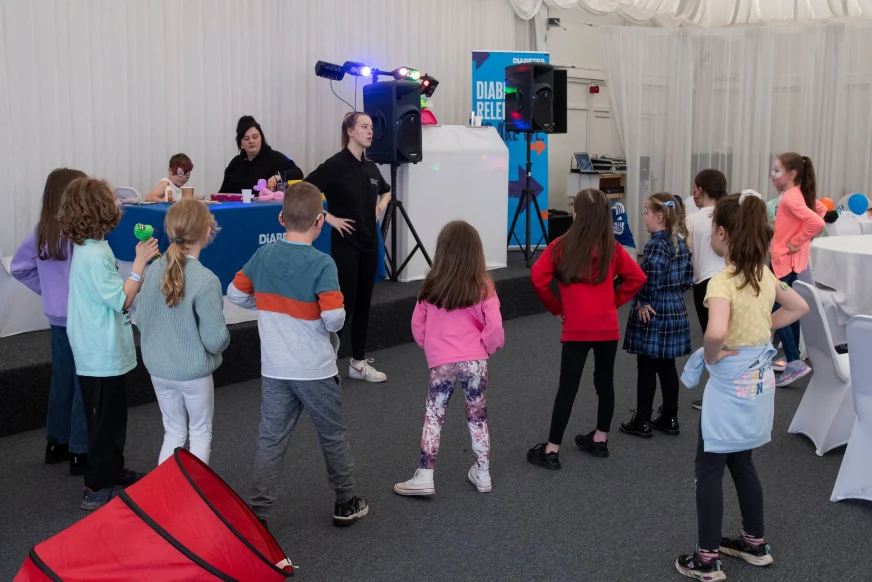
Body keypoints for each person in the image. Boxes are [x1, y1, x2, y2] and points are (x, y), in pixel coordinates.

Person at [675, 192, 809, 581]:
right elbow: (799, 307)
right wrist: (766, 327)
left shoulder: (722, 282)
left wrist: (711, 353)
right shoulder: (763, 276)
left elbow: (715, 331)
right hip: (758, 386)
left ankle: (706, 559)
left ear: (720, 233)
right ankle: (754, 543)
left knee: (710, 467)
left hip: (730, 388)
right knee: (742, 461)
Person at [228, 181, 368, 530]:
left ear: (280, 218)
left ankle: (257, 512)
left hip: (275, 367)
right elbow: (335, 318)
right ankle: (345, 502)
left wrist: (262, 304)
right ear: (321, 221)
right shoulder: (323, 264)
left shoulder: (263, 255)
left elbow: (234, 293)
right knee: (332, 435)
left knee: (270, 438)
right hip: (315, 369)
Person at [57, 177, 159, 510]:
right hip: (99, 354)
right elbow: (121, 301)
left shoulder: (92, 248)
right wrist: (140, 263)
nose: (118, 203)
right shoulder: (95, 254)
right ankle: (97, 488)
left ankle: (112, 470)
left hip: (102, 350)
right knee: (103, 423)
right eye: (112, 199)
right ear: (98, 209)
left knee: (112, 418)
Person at [526, 189, 645, 469]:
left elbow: (537, 278)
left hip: (576, 329)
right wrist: (612, 302)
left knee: (567, 387)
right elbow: (636, 278)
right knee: (605, 384)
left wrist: (557, 308)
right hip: (606, 329)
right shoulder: (611, 248)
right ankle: (600, 439)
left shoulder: (560, 246)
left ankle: (552, 448)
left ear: (576, 214)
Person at [394, 221, 505, 496]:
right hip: (475, 361)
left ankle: (425, 475)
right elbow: (495, 328)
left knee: (434, 417)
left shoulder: (431, 286)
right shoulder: (484, 286)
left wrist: (431, 348)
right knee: (477, 418)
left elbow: (417, 326)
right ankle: (482, 473)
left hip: (441, 363)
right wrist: (487, 349)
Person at [136, 200, 229, 466]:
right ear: (207, 232)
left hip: (158, 368)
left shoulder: (153, 269)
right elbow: (216, 339)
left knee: (173, 432)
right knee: (200, 433)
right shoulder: (206, 280)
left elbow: (141, 320)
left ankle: (165, 498)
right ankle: (192, 499)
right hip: (193, 373)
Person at [11, 168, 89, 475]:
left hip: (57, 320)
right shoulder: (80, 233)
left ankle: (56, 444)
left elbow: (19, 268)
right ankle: (80, 451)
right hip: (84, 320)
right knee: (85, 382)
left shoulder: (41, 231)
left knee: (62, 381)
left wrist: (49, 292)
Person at [305, 112, 392, 383]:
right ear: (350, 131)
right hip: (345, 246)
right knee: (344, 305)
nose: (370, 132)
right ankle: (326, 361)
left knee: (364, 304)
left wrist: (380, 206)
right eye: (364, 127)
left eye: (371, 128)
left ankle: (357, 362)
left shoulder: (371, 167)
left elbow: (387, 191)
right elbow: (305, 190)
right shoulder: (336, 164)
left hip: (369, 245)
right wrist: (329, 218)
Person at [620, 193, 693, 439]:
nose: (644, 217)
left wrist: (644, 301)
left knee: (647, 366)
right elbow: (687, 278)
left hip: (654, 311)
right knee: (667, 366)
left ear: (659, 216)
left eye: (645, 212)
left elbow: (649, 276)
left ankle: (642, 419)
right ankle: (670, 417)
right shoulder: (680, 242)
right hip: (675, 308)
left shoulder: (655, 245)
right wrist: (672, 294)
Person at [769, 153, 825, 386]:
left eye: (777, 171)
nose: (772, 175)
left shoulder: (791, 198)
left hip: (783, 260)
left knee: (776, 309)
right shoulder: (796, 195)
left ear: (791, 174)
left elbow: (818, 221)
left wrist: (796, 240)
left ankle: (793, 360)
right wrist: (800, 239)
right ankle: (791, 358)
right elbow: (820, 210)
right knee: (788, 307)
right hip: (789, 261)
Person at [685, 170, 728, 411]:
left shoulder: (694, 218)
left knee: (712, 339)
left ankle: (717, 394)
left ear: (699, 190)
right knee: (730, 336)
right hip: (730, 281)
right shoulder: (731, 214)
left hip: (705, 285)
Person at [218, 116, 303, 193]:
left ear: (261, 138)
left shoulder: (275, 158)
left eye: (255, 137)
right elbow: (222, 194)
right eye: (246, 138)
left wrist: (279, 175)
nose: (251, 141)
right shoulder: (235, 164)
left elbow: (298, 173)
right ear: (241, 143)